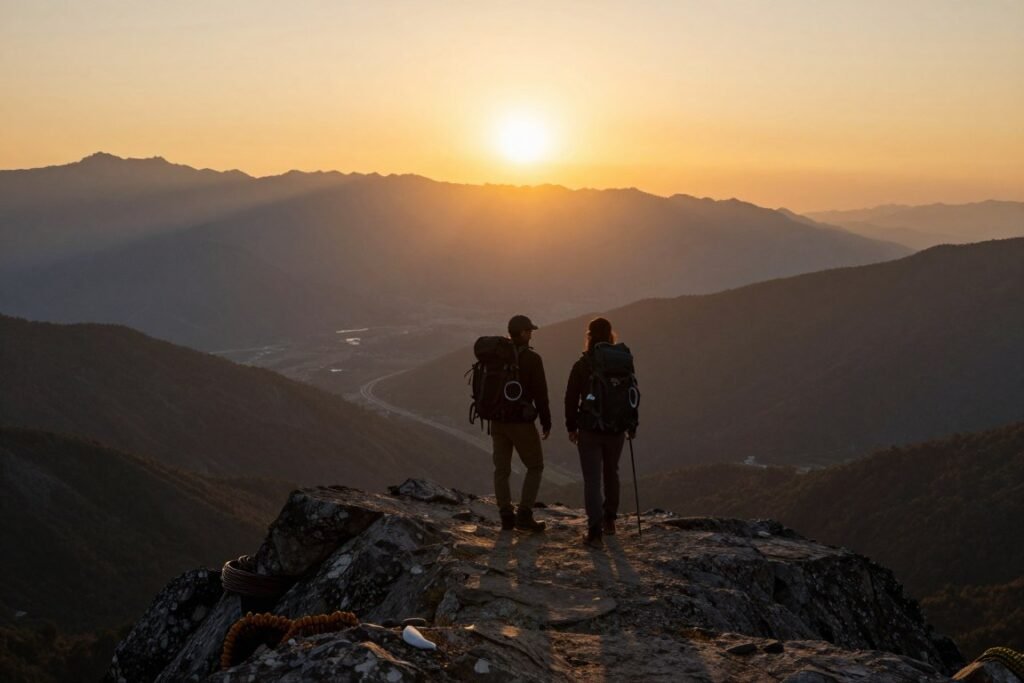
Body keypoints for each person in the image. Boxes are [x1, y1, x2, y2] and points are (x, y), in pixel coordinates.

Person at [564, 317, 637, 548]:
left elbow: (570, 397)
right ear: (610, 335)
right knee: (612, 472)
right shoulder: (622, 361)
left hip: (589, 429)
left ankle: (594, 533)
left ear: (589, 336)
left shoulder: (583, 364)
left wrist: (571, 426)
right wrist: (632, 424)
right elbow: (632, 394)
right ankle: (610, 521)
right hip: (617, 428)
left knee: (592, 480)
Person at [492, 314, 551, 532]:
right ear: (523, 333)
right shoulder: (532, 359)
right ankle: (524, 515)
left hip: (497, 420)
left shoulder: (496, 356)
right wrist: (546, 421)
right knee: (535, 466)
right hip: (520, 422)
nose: (531, 335)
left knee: (501, 469)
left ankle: (506, 516)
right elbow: (541, 394)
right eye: (530, 331)